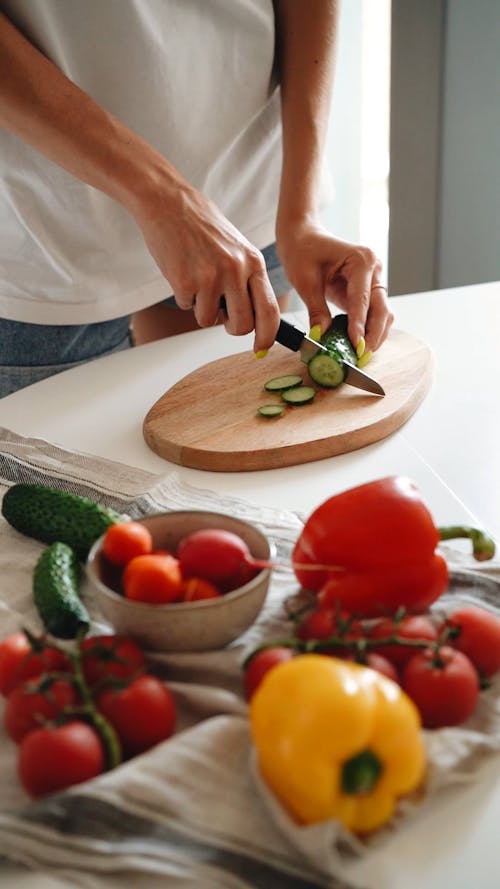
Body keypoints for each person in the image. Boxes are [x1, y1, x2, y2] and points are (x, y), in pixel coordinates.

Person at [0, 1, 393, 399]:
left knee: (209, 422)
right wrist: (163, 198)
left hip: (245, 193)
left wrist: (300, 215)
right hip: (46, 226)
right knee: (53, 459)